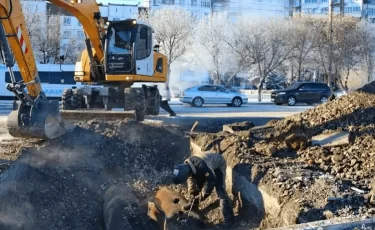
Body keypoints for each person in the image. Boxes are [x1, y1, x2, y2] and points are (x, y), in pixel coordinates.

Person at [172, 152, 235, 227]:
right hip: (205, 167)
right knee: (195, 189)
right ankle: (194, 204)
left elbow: (211, 181)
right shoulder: (186, 165)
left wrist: (202, 195)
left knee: (220, 191)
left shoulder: (202, 167)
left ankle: (229, 221)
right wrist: (192, 193)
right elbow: (190, 179)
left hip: (218, 166)